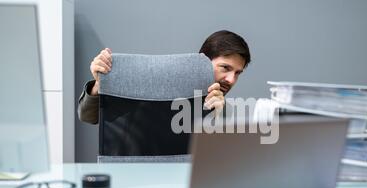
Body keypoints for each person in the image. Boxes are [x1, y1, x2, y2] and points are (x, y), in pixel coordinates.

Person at [77, 30, 251, 124]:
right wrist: (101, 85)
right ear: (202, 62)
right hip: (134, 175)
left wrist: (219, 117)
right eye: (225, 68)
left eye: (237, 73)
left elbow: (220, 162)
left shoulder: (223, 108)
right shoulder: (154, 85)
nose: (231, 80)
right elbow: (89, 117)